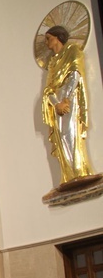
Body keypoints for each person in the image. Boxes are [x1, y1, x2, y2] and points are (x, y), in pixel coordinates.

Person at [42, 25, 97, 188]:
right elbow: (48, 87)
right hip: (57, 101)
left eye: (48, 38)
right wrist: (55, 102)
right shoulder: (53, 63)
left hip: (70, 99)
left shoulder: (73, 51)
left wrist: (65, 100)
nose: (46, 43)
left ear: (58, 37)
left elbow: (75, 74)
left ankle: (79, 171)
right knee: (61, 138)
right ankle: (68, 175)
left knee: (71, 134)